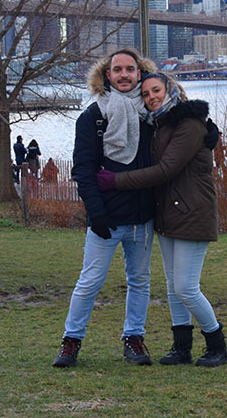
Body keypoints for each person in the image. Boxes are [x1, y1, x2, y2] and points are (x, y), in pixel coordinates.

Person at [97, 72, 227, 367]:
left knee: (186, 287)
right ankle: (182, 348)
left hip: (192, 212)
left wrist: (114, 181)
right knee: (172, 286)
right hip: (168, 212)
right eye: (145, 94)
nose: (151, 97)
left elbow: (166, 169)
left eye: (156, 90)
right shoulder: (157, 124)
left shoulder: (188, 124)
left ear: (170, 90)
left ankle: (216, 343)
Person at [53, 48, 158, 368]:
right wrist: (96, 212)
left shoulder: (154, 113)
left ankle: (134, 339)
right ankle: (71, 341)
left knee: (140, 282)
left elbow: (185, 130)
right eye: (118, 70)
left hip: (143, 217)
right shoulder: (92, 116)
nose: (124, 75)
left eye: (130, 69)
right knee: (89, 282)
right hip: (106, 218)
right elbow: (83, 170)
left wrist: (207, 130)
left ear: (140, 74)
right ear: (107, 75)